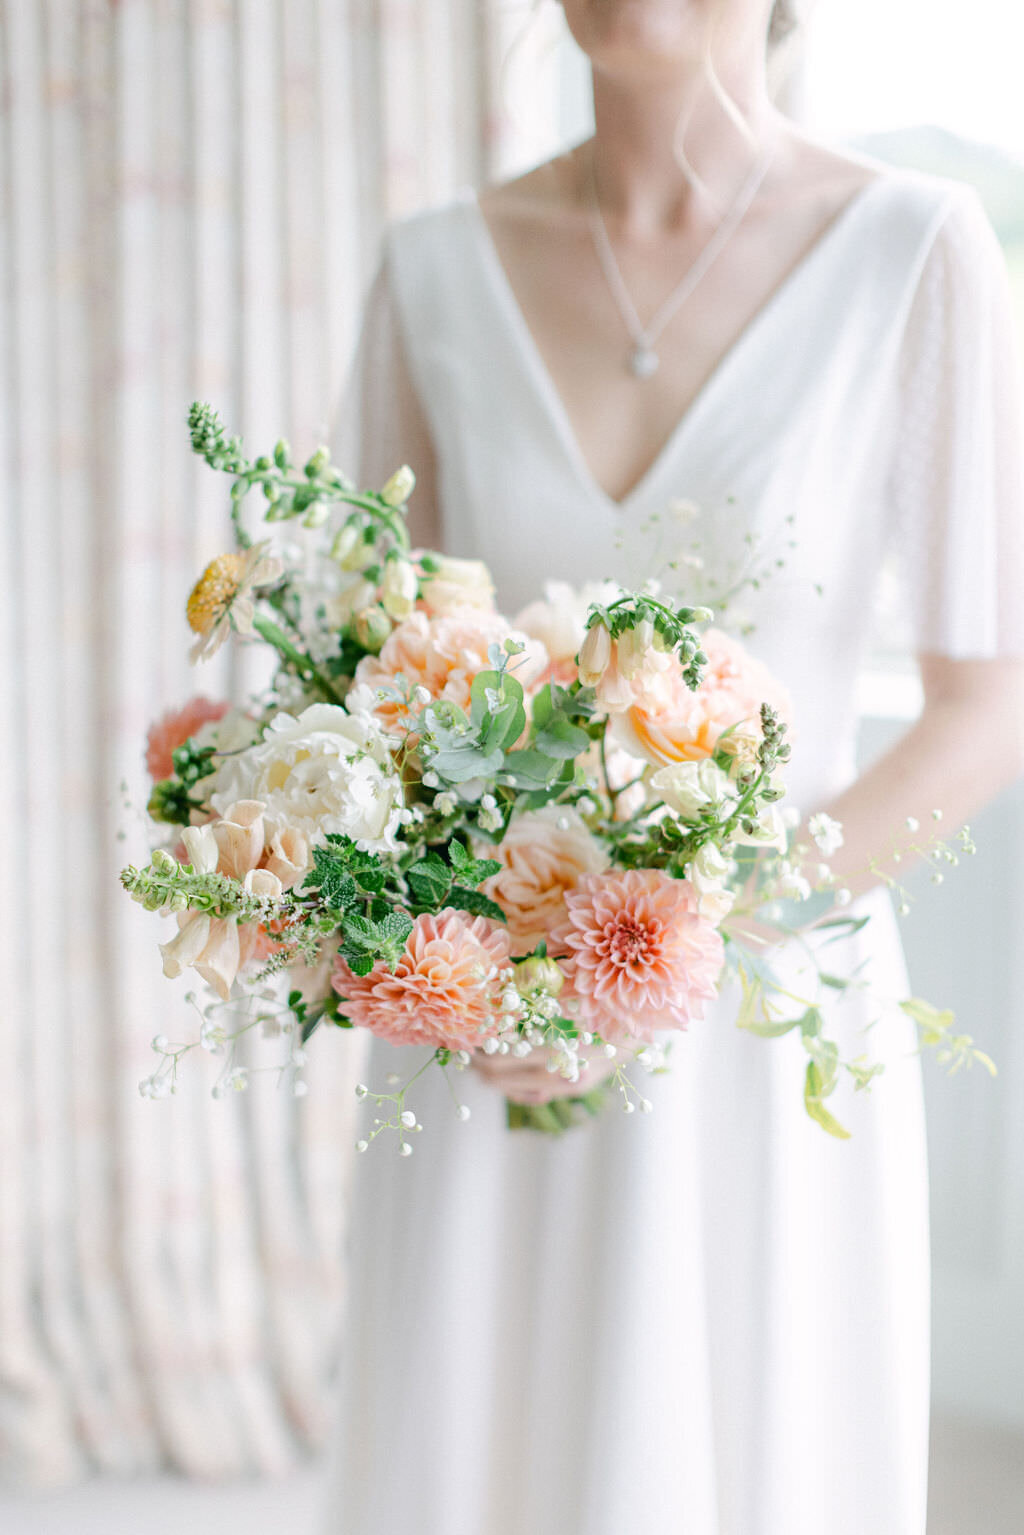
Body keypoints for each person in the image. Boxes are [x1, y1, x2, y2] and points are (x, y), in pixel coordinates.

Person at [325, 2, 1024, 1530]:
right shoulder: (432, 271)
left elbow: (990, 703)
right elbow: (357, 683)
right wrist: (448, 942)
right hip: (488, 1017)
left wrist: (679, 955)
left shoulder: (916, 249)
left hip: (766, 1027)